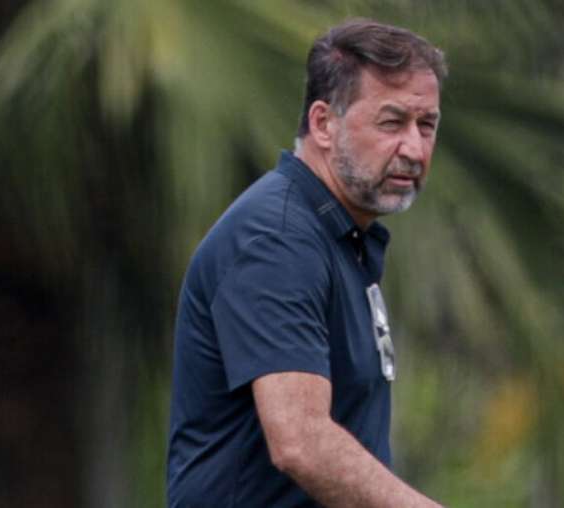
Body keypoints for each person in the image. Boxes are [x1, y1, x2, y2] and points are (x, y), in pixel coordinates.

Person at [167, 18, 447, 507]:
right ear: (323, 123)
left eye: (426, 125)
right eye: (391, 122)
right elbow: (301, 443)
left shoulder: (337, 236)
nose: (414, 148)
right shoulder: (277, 240)